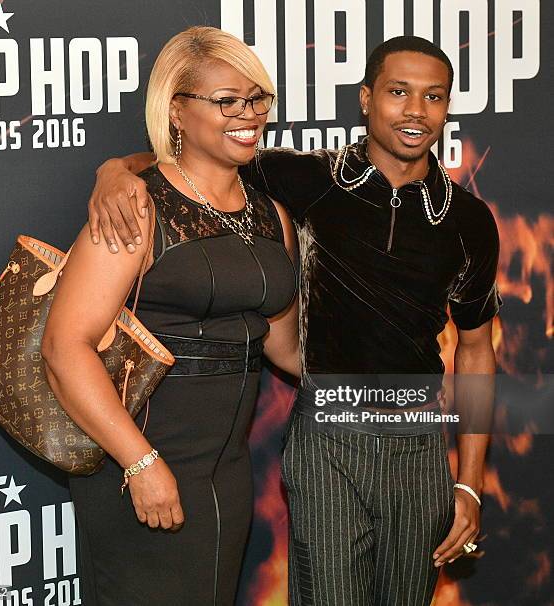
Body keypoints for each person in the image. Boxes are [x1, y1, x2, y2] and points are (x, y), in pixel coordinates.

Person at [87, 36, 500, 605]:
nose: (414, 110)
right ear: (365, 98)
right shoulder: (302, 179)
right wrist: (116, 171)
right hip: (325, 436)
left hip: (418, 443)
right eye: (398, 92)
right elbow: (186, 162)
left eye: (433, 97)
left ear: (447, 107)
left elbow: (476, 351)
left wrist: (471, 485)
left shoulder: (469, 220)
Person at [41, 26, 299, 606]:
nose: (248, 114)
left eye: (257, 98)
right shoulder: (135, 206)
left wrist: (385, 359)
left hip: (225, 474)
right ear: (176, 111)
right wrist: (141, 463)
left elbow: (286, 348)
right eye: (226, 100)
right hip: (138, 460)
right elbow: (65, 346)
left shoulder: (269, 214)